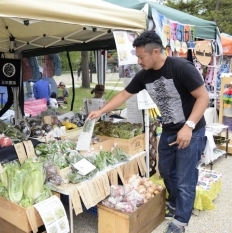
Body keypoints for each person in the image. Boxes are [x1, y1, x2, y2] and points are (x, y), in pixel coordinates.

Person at [88, 31, 209, 233]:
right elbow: (124, 94)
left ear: (155, 52)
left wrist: (188, 126)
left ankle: (180, 222)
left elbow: (203, 98)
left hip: (192, 130)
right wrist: (101, 111)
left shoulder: (181, 68)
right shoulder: (144, 75)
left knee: (186, 178)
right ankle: (174, 204)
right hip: (169, 130)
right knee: (166, 172)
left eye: (141, 56)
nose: (138, 61)